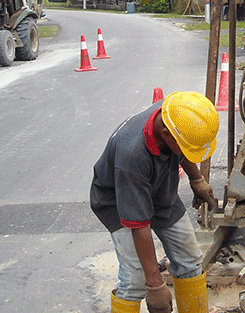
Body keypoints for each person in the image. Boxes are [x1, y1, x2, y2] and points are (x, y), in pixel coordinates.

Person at [91, 91, 220, 313]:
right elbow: (139, 225)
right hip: (118, 197)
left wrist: (196, 179)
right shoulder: (131, 156)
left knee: (190, 260)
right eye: (186, 148)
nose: (189, 153)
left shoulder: (175, 113)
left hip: (158, 187)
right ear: (166, 135)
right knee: (135, 279)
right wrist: (155, 285)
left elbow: (185, 147)